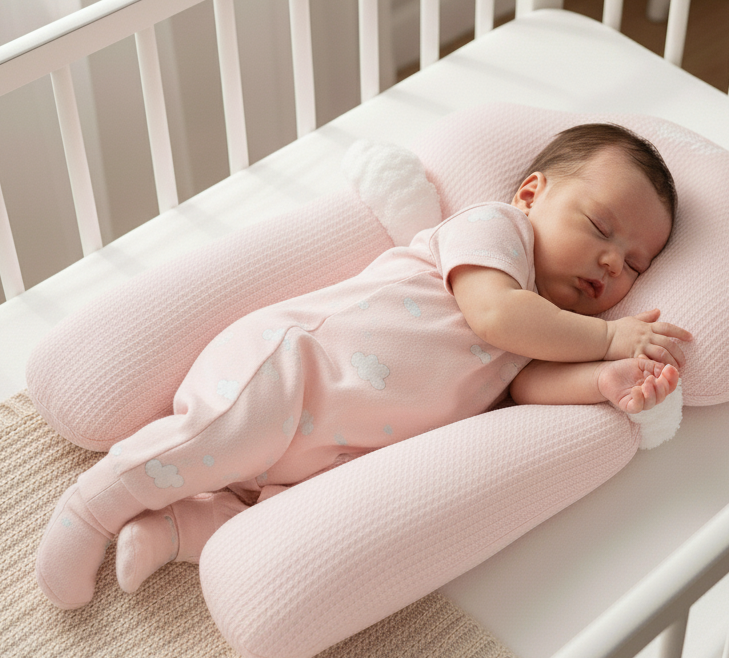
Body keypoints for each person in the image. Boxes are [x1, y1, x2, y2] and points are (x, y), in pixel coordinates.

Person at [35, 123, 693, 609]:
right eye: (601, 228)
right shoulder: (496, 234)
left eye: (635, 263)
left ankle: (171, 530)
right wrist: (607, 340)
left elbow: (531, 387)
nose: (613, 263)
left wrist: (606, 383)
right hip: (291, 372)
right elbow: (494, 315)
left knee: (273, 520)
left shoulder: (545, 334)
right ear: (530, 194)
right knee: (213, 438)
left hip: (338, 449)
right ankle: (91, 509)